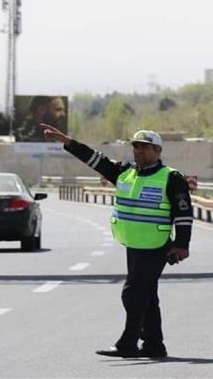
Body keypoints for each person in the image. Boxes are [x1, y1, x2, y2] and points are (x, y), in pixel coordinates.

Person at [41, 123, 193, 358]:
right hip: (133, 244)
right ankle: (154, 344)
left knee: (131, 294)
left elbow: (184, 213)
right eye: (136, 146)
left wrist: (182, 245)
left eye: (145, 147)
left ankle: (127, 344)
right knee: (147, 296)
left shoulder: (171, 178)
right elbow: (96, 160)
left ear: (158, 151)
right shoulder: (125, 171)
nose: (139, 150)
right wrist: (68, 142)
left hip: (156, 245)